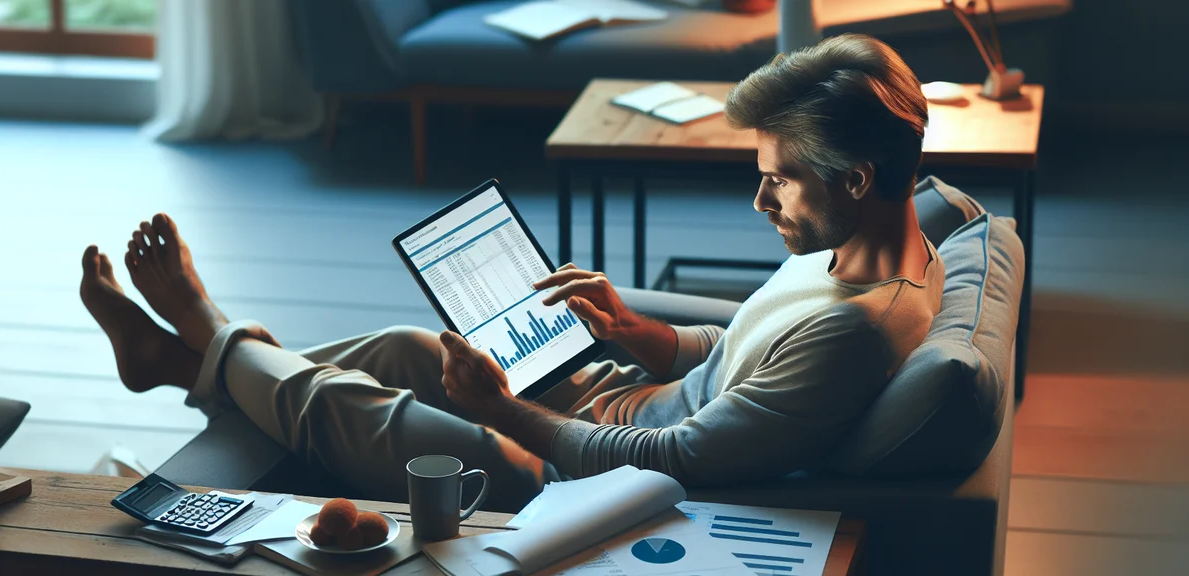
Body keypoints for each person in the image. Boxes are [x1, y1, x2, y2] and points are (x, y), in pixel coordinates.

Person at [78, 34, 942, 510]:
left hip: (576, 481)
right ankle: (183, 364)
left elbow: (678, 459)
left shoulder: (858, 331)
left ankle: (202, 337)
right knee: (405, 347)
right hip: (612, 400)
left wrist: (499, 409)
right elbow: (739, 355)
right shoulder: (865, 252)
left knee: (348, 406)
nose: (759, 201)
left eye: (779, 181)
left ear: (854, 179)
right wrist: (635, 331)